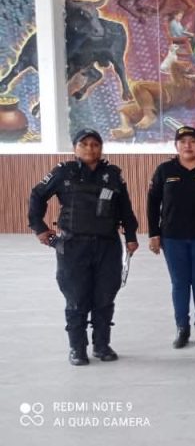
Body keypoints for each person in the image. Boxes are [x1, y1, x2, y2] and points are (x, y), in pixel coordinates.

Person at [28, 129, 139, 365]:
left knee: (105, 297)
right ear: (75, 148)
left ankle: (102, 345)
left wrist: (131, 236)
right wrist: (39, 228)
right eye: (84, 144)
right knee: (76, 299)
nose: (90, 148)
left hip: (107, 246)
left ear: (101, 148)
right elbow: (37, 195)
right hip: (73, 246)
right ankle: (77, 349)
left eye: (95, 144)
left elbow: (125, 209)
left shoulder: (113, 175)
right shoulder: (63, 172)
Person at [147, 126, 195, 349]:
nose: (188, 145)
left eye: (193, 141)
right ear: (176, 146)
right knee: (179, 283)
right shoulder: (164, 170)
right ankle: (182, 328)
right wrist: (154, 233)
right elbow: (153, 203)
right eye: (183, 142)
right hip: (173, 237)